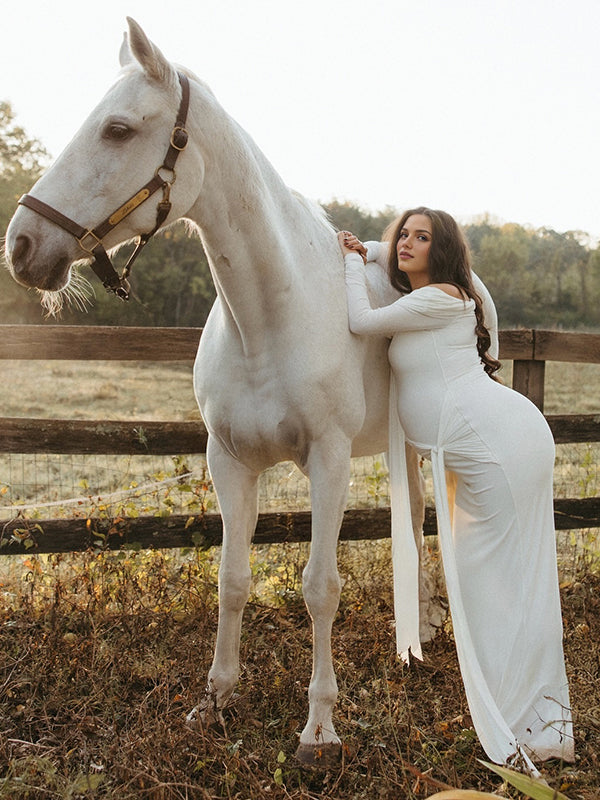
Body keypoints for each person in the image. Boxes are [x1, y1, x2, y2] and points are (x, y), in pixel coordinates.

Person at [338, 207, 574, 772]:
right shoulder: (426, 294)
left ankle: (530, 725)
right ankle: (530, 718)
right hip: (481, 448)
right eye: (404, 236)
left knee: (495, 585)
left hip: (499, 446)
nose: (407, 244)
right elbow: (385, 254)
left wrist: (352, 262)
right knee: (489, 582)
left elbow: (361, 322)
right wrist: (372, 248)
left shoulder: (441, 295)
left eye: (423, 237)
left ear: (441, 250)